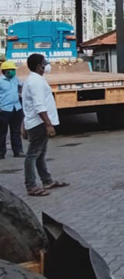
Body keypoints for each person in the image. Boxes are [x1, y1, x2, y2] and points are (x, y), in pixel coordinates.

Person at [21, 54, 69, 196]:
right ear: (39, 66)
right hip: (39, 124)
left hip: (36, 122)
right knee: (33, 155)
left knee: (40, 154)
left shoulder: (34, 80)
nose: (47, 65)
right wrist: (48, 124)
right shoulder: (36, 82)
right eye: (44, 63)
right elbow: (39, 105)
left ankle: (47, 180)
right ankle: (31, 185)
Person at [0, 60, 24, 159]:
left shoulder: (15, 79)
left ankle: (18, 151)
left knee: (16, 131)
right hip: (4, 110)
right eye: (12, 70)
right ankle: (1, 153)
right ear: (5, 71)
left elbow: (21, 86)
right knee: (2, 133)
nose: (14, 72)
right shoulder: (0, 81)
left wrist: (19, 94)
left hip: (16, 108)